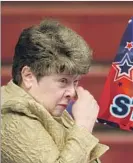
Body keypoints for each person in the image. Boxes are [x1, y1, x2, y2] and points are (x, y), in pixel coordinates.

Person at [1, 19, 109, 163]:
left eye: (75, 82)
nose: (72, 92)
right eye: (63, 81)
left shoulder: (50, 110)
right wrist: (83, 126)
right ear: (28, 76)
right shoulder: (10, 117)